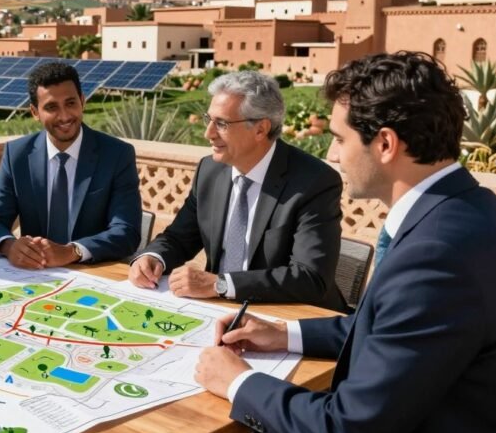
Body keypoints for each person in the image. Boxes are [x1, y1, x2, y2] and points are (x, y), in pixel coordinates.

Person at [195, 52, 496, 433]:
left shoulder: (434, 257)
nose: (332, 155)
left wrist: (238, 382)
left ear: (385, 144)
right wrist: (282, 334)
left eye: (340, 139)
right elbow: (390, 332)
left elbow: (346, 430)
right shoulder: (473, 212)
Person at [129, 71, 347, 311]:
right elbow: (179, 237)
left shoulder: (314, 182)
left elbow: (310, 278)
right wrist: (152, 257)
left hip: (286, 316)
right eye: (208, 119)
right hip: (216, 310)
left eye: (221, 123)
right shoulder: (209, 170)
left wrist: (222, 284)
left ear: (261, 129)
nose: (208, 133)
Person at [0, 61, 142, 268]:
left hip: (94, 274)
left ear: (83, 101)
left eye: (71, 103)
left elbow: (126, 232)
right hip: (34, 276)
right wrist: (9, 246)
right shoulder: (17, 155)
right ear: (35, 112)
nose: (64, 116)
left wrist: (72, 252)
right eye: (51, 107)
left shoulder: (117, 154)